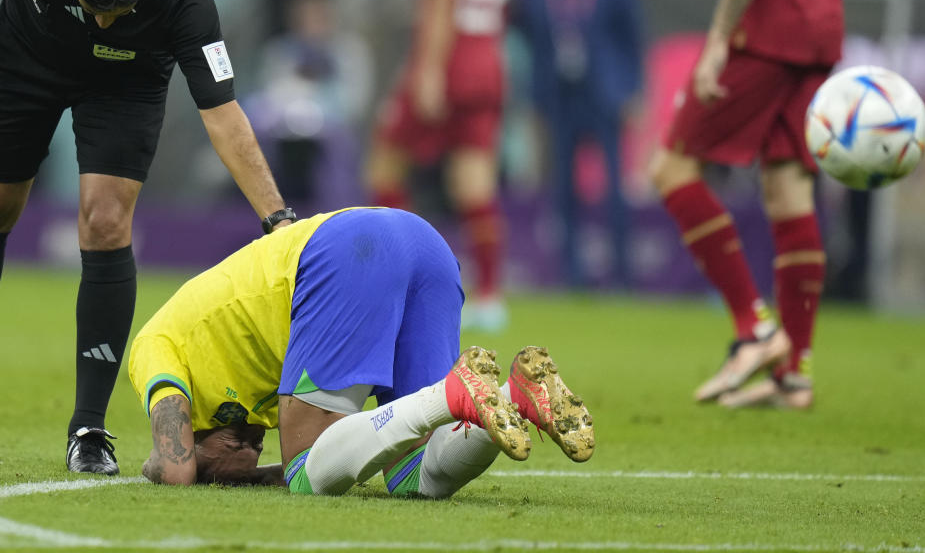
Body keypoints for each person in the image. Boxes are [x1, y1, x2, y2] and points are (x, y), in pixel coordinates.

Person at [0, 0, 291, 475]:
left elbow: (223, 115)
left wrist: (278, 220)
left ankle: (88, 427)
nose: (105, 22)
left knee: (106, 219)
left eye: (120, 11)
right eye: (94, 6)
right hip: (25, 53)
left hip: (126, 82)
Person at [128, 207, 595, 494]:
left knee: (306, 474)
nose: (251, 451)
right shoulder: (237, 383)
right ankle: (517, 396)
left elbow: (175, 470)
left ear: (192, 431)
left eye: (238, 443)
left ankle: (451, 396)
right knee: (415, 477)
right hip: (425, 245)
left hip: (348, 251)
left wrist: (164, 461)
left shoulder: (154, 346)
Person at [648, 0, 845, 407]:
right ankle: (794, 374)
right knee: (789, 192)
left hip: (765, 31)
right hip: (817, 29)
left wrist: (718, 36)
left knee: (671, 168)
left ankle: (754, 330)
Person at [365, 0, 516, 332]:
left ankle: (393, 284)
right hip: (488, 64)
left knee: (385, 163)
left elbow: (439, 5)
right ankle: (489, 297)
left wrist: (429, 71)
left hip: (447, 63)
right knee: (473, 182)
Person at [513, 0, 643, 287]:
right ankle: (572, 273)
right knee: (564, 189)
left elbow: (632, 40)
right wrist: (535, 100)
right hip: (559, 97)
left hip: (604, 95)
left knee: (614, 187)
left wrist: (634, 92)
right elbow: (531, 44)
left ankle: (622, 272)